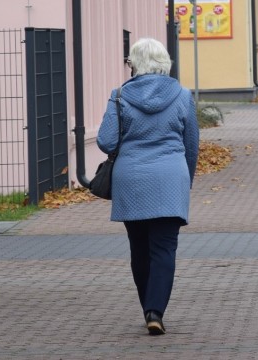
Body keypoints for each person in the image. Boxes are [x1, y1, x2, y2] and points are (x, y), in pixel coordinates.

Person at [97, 37, 199, 336]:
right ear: (165, 62)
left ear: (134, 64)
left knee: (139, 249)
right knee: (164, 248)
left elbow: (105, 141)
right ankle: (156, 310)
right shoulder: (182, 95)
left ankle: (148, 309)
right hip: (171, 177)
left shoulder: (119, 96)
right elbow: (191, 144)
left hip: (132, 180)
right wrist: (186, 180)